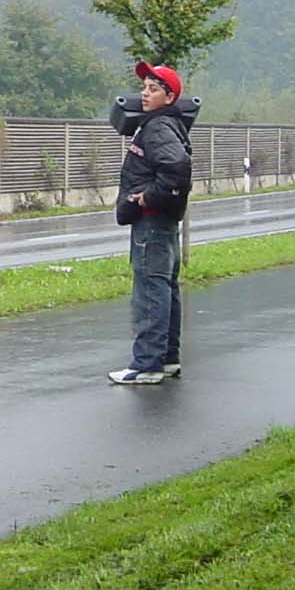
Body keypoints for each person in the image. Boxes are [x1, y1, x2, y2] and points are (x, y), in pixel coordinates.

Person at [108, 62, 193, 386]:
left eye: (154, 88)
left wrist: (147, 198)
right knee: (165, 289)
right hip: (164, 223)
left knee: (150, 293)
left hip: (152, 224)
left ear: (170, 96)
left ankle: (146, 365)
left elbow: (177, 169)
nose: (144, 93)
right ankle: (167, 358)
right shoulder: (167, 124)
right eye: (144, 87)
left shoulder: (158, 128)